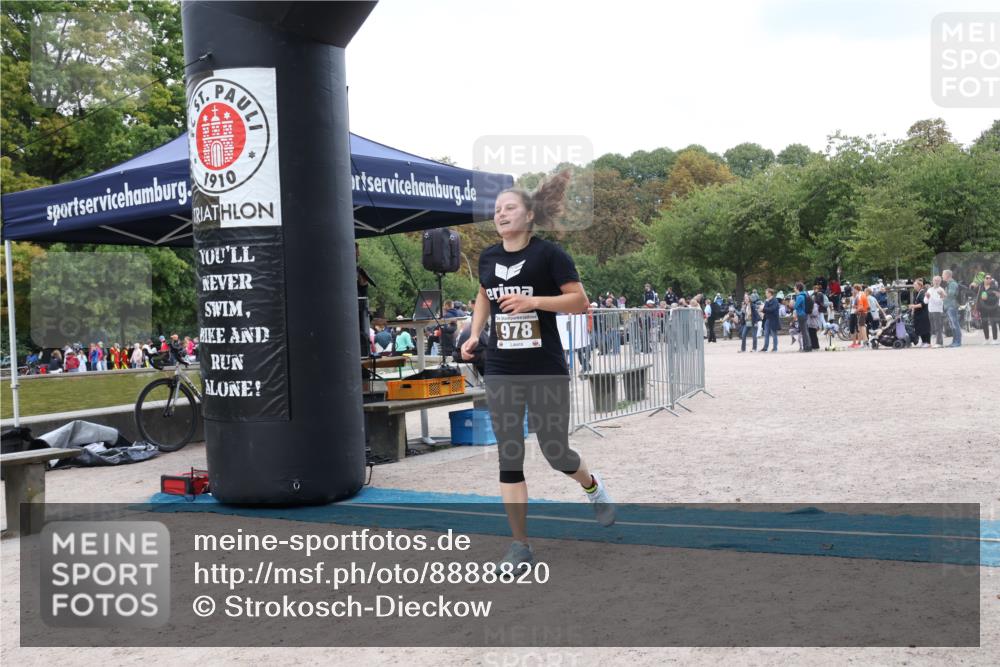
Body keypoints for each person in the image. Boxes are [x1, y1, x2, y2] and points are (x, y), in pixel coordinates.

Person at [460, 171, 615, 573]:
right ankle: (520, 546)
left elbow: (579, 301)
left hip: (545, 368)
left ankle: (592, 486)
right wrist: (475, 333)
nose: (501, 214)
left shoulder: (549, 255)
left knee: (555, 452)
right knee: (509, 455)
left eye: (510, 207)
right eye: (496, 210)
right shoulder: (488, 258)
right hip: (501, 368)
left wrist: (534, 304)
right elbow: (483, 294)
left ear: (529, 215)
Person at [976, 274, 999, 344]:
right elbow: (977, 296)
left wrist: (987, 298)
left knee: (993, 323)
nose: (988, 279)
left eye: (990, 278)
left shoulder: (994, 287)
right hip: (983, 308)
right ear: (984, 279)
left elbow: (996, 298)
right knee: (984, 323)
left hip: (993, 308)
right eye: (987, 278)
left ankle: (995, 339)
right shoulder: (980, 287)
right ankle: (986, 338)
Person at [924, 276, 946, 348]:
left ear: (940, 282)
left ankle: (939, 343)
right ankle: (934, 342)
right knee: (933, 328)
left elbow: (939, 301)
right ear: (932, 281)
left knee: (938, 327)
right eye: (935, 280)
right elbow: (925, 301)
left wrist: (930, 297)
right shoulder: (929, 289)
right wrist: (927, 297)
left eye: (937, 281)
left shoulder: (941, 290)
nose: (936, 282)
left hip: (938, 311)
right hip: (930, 310)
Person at [942, 269, 962, 347]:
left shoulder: (952, 284)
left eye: (943, 274)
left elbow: (951, 294)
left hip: (952, 306)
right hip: (949, 306)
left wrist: (942, 293)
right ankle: (954, 341)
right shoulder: (949, 284)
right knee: (952, 325)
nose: (942, 276)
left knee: (955, 324)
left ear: (947, 275)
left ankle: (957, 342)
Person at [909, 278, 931, 347]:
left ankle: (928, 342)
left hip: (923, 313)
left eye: (915, 285)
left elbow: (923, 304)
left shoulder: (923, 292)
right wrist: (913, 308)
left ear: (919, 285)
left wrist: (913, 306)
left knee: (925, 328)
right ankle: (924, 342)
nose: (914, 286)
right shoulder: (917, 293)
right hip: (918, 314)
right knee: (920, 328)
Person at [793, 282, 812, 352]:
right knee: (805, 331)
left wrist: (792, 303)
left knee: (804, 331)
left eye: (795, 287)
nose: (794, 289)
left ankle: (807, 346)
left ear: (798, 288)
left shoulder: (800, 296)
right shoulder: (804, 295)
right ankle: (807, 346)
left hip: (801, 315)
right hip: (804, 314)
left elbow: (795, 306)